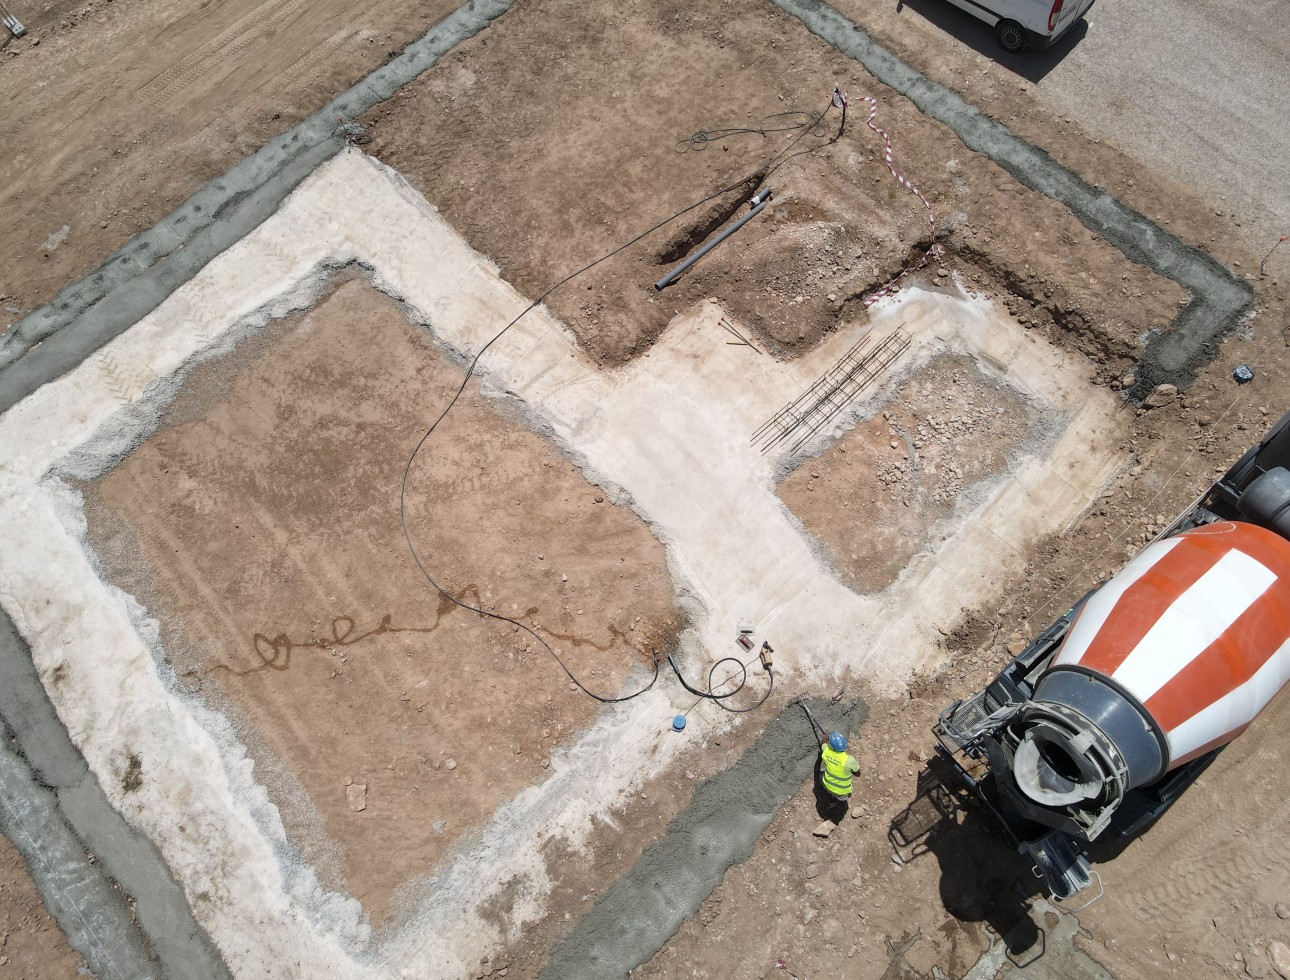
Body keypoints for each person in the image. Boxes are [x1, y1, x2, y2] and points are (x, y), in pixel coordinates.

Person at [818, 731, 860, 820]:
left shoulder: (826, 752)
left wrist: (826, 737)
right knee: (841, 795)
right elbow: (858, 774)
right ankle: (838, 805)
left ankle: (830, 796)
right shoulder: (849, 760)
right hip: (842, 794)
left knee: (822, 771)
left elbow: (823, 743)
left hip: (827, 786)